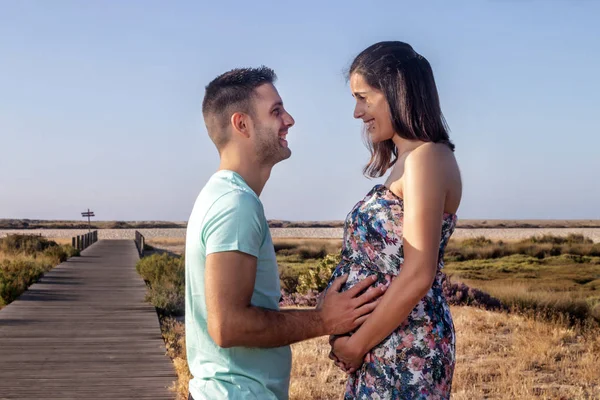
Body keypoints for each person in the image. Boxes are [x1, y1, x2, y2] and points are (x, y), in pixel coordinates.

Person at [184, 66, 386, 400]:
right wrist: (324, 321)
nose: (289, 120)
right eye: (276, 111)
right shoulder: (235, 204)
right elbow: (228, 325)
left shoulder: (221, 195)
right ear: (242, 124)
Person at [327, 41, 462, 399]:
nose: (357, 112)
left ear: (396, 92)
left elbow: (419, 273)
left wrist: (357, 344)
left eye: (363, 97)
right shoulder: (407, 161)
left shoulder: (426, 159)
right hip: (385, 338)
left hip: (405, 341)